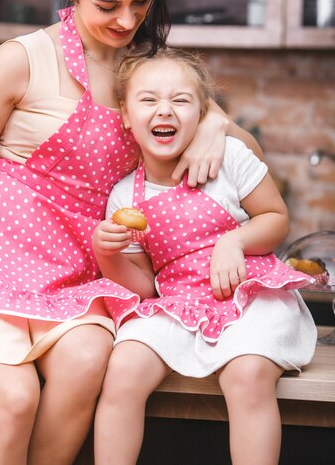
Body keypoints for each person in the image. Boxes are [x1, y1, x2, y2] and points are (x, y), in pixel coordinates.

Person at [0, 0, 262, 465]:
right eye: (108, 5)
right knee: (13, 400)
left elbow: (250, 164)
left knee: (87, 361)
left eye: (141, 2)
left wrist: (217, 125)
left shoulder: (149, 71)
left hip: (79, 266)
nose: (127, 21)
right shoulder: (23, 59)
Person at [92, 45, 318, 465]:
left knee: (246, 375)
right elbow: (143, 286)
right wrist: (108, 256)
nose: (165, 110)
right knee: (122, 368)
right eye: (148, 100)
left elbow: (275, 217)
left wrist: (232, 242)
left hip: (250, 296)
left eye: (180, 100)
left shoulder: (230, 158)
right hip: (178, 306)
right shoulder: (126, 194)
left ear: (202, 113)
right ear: (125, 114)